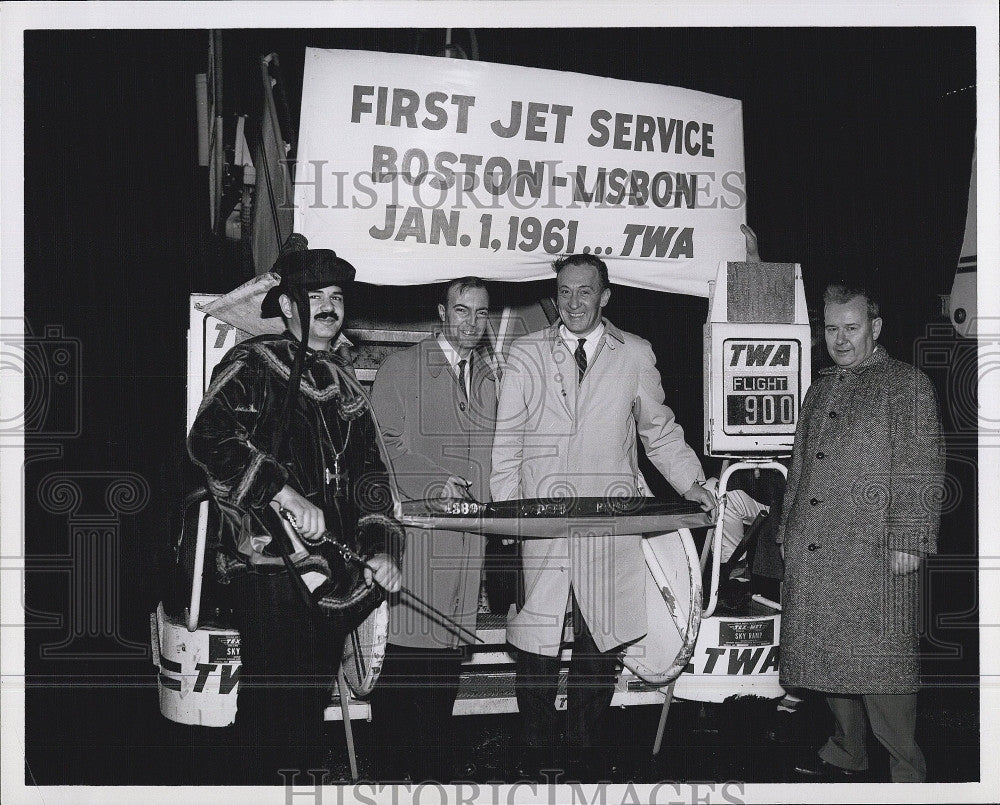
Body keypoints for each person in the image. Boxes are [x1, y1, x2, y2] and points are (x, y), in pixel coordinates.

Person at [490, 253, 716, 782]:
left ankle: (583, 743)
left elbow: (658, 432)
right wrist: (507, 517)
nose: (573, 303)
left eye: (584, 292)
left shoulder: (635, 354)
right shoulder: (524, 353)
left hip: (610, 522)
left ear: (605, 295)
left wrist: (694, 483)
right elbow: (508, 442)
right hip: (541, 521)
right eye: (564, 292)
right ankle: (538, 747)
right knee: (536, 643)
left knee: (600, 643)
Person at [187, 242, 402, 784]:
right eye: (314, 296)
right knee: (272, 707)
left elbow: (371, 478)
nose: (330, 306)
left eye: (336, 296)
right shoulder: (254, 362)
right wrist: (284, 492)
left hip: (332, 569)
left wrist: (381, 550)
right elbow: (208, 436)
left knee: (308, 704)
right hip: (268, 565)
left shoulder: (348, 383)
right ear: (286, 306)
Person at [777, 282, 944, 782]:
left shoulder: (906, 385)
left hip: (875, 550)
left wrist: (911, 538)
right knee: (825, 655)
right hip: (817, 545)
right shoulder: (820, 386)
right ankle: (847, 751)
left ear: (875, 328)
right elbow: (800, 464)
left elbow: (923, 467)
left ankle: (908, 772)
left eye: (852, 328)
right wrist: (789, 528)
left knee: (884, 665)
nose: (841, 339)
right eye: (831, 328)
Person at [370, 277, 497, 781]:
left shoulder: (488, 375)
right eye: (461, 310)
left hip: (468, 544)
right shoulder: (402, 368)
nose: (471, 322)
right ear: (441, 313)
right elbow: (383, 446)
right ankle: (391, 776)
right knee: (405, 662)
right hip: (418, 538)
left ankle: (430, 775)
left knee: (447, 663)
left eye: (480, 312)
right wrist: (434, 481)